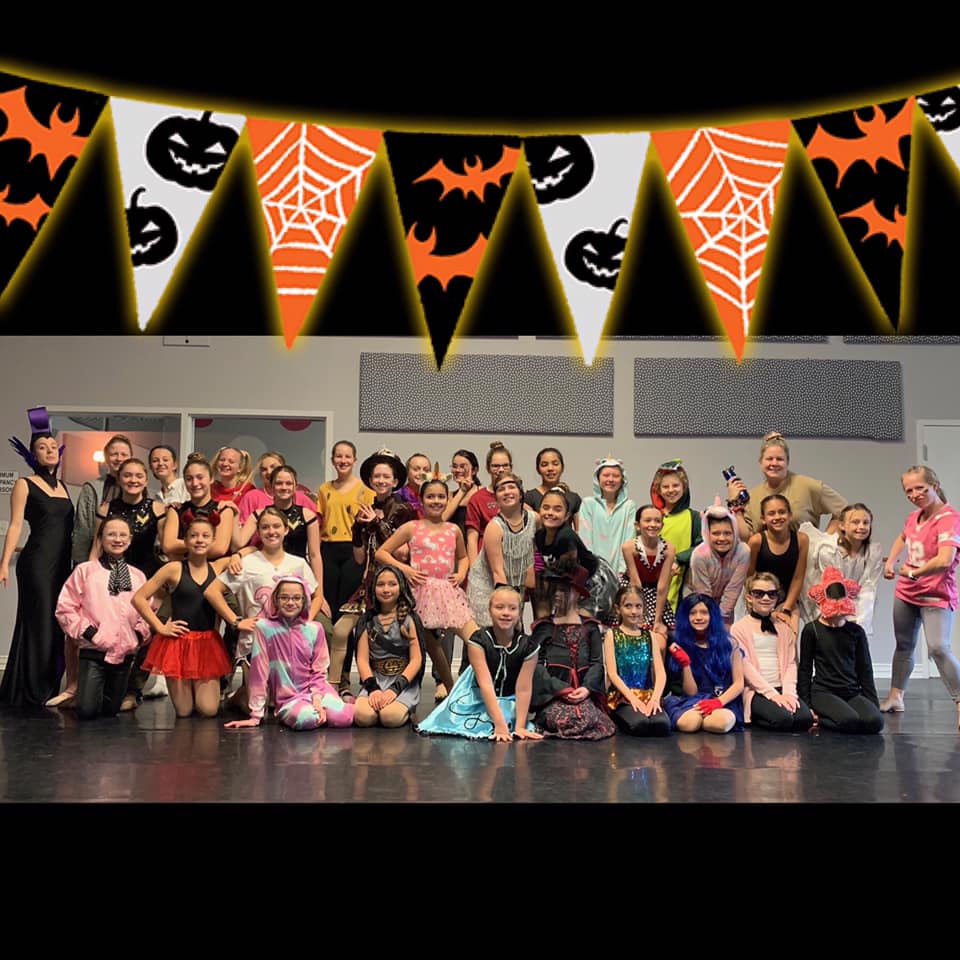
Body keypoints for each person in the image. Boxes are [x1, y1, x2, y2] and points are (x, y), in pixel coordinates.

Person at [205, 506, 321, 714]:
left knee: (281, 704)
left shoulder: (298, 563)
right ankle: (237, 697)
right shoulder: (246, 563)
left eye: (276, 526)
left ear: (286, 529)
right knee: (257, 707)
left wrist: (305, 625)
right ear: (258, 532)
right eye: (265, 527)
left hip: (288, 641)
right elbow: (212, 591)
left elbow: (317, 596)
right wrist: (236, 621)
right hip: (255, 640)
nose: (271, 531)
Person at [327, 448, 417, 698]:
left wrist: (377, 524)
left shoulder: (405, 510)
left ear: (395, 481)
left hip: (395, 584)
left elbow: (403, 554)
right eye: (377, 476)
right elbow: (359, 558)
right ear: (370, 480)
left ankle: (399, 689)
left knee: (395, 637)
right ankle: (337, 686)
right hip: (369, 583)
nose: (381, 480)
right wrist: (358, 529)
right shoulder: (365, 509)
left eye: (386, 476)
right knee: (341, 631)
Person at [0, 408, 74, 710]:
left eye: (53, 446)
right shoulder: (25, 484)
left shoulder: (63, 486)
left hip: (63, 565)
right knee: (39, 622)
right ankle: (31, 689)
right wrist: (4, 563)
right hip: (37, 564)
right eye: (42, 447)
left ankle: (48, 685)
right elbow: (16, 525)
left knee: (57, 623)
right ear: (32, 455)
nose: (49, 451)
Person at [881, 465, 960, 725]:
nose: (914, 494)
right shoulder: (914, 516)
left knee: (938, 648)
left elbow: (945, 560)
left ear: (934, 486)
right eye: (909, 490)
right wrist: (891, 561)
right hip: (907, 593)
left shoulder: (948, 518)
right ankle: (896, 697)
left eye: (920, 488)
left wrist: (915, 572)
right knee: (904, 645)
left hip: (935, 595)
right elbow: (903, 537)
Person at [133, 516, 234, 718]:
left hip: (207, 644)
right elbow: (139, 598)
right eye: (194, 536)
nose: (199, 540)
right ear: (185, 541)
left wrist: (238, 556)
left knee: (208, 710)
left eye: (205, 536)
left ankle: (228, 696)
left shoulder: (217, 567)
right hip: (177, 643)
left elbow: (248, 552)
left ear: (213, 541)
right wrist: (160, 627)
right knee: (184, 711)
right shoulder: (174, 568)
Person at [224, 575, 354, 731]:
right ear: (276, 600)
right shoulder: (264, 628)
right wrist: (256, 715)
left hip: (318, 690)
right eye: (284, 597)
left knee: (344, 717)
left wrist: (317, 700)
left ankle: (323, 710)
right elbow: (259, 672)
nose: (291, 602)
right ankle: (315, 713)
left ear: (304, 601)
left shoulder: (314, 629)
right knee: (307, 719)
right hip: (289, 698)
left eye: (296, 598)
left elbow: (319, 670)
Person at [54, 517, 151, 720]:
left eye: (122, 535)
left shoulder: (137, 576)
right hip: (94, 649)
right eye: (111, 534)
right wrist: (91, 634)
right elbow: (65, 608)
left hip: (124, 653)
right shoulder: (85, 571)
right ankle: (80, 695)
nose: (117, 539)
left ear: (130, 539)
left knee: (111, 710)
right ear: (100, 538)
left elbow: (148, 610)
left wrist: (138, 636)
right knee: (87, 711)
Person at [418, 585, 542, 740]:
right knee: (466, 722)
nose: (506, 613)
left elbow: (523, 688)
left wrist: (520, 726)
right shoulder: (478, 641)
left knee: (510, 720)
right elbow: (485, 684)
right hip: (479, 696)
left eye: (512, 608)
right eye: (499, 607)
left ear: (520, 613)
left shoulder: (528, 646)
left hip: (510, 699)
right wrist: (500, 725)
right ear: (490, 611)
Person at [374, 478, 463, 693]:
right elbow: (381, 553)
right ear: (421, 500)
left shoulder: (453, 530)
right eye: (430, 496)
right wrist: (405, 569)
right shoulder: (411, 527)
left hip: (446, 592)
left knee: (472, 637)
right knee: (429, 644)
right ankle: (448, 688)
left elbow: (464, 556)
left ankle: (466, 687)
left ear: (448, 499)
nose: (436, 501)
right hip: (420, 593)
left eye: (441, 496)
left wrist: (461, 573)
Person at [529, 563, 615, 739]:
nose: (557, 594)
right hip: (554, 695)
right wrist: (561, 689)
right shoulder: (545, 627)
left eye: (564, 590)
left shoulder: (590, 627)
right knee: (563, 719)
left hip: (583, 693)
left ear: (577, 594)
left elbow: (597, 663)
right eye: (556, 589)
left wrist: (586, 689)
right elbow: (536, 666)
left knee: (587, 718)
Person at [799, 566, 883, 734]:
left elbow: (865, 669)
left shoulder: (856, 632)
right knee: (848, 721)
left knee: (875, 722)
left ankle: (850, 717)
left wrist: (873, 704)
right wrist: (807, 706)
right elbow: (805, 669)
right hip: (824, 692)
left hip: (851, 692)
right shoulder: (812, 630)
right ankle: (822, 720)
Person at [725, 431, 847, 541]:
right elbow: (746, 538)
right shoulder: (752, 497)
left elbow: (844, 510)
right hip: (764, 559)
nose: (774, 463)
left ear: (787, 461)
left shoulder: (807, 486)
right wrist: (735, 503)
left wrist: (824, 541)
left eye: (779, 459)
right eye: (769, 459)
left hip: (805, 558)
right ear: (761, 462)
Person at [732, 572, 813, 732]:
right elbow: (745, 667)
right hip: (757, 691)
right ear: (749, 597)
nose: (766, 598)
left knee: (804, 719)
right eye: (759, 593)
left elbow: (790, 664)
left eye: (771, 594)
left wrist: (789, 693)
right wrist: (772, 694)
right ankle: (757, 716)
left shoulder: (784, 628)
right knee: (783, 719)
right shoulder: (739, 629)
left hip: (781, 686)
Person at [233, 464, 325, 599]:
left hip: (298, 576)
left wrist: (319, 594)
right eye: (279, 483)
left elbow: (315, 555)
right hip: (267, 574)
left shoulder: (308, 515)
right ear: (271, 486)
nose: (284, 487)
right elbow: (239, 543)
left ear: (296, 486)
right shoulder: (259, 515)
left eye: (289, 483)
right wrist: (234, 515)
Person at [530, 486, 619, 623]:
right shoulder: (539, 536)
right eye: (546, 508)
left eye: (557, 509)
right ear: (539, 510)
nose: (550, 513)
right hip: (570, 580)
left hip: (594, 580)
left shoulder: (566, 537)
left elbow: (572, 575)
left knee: (581, 622)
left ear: (567, 516)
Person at [353, 565, 424, 728]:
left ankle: (406, 707)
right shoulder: (367, 620)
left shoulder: (410, 619)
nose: (386, 589)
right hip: (376, 679)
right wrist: (373, 689)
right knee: (363, 717)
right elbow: (362, 660)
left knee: (390, 717)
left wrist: (395, 689)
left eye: (392, 584)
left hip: (402, 682)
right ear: (373, 588)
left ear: (401, 586)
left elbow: (416, 660)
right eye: (381, 584)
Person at [799, 502, 883, 640]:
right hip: (829, 606)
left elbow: (868, 587)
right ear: (842, 525)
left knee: (858, 640)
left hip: (857, 607)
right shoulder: (829, 550)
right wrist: (842, 620)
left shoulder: (873, 551)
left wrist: (859, 623)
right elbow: (832, 588)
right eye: (855, 522)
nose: (861, 527)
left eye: (866, 522)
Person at [663, 593, 743, 733]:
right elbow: (691, 693)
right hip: (690, 700)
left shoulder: (729, 643)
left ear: (712, 616)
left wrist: (718, 702)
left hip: (721, 699)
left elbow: (738, 684)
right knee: (689, 724)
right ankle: (702, 719)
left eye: (704, 612)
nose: (698, 617)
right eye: (692, 613)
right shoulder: (680, 644)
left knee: (722, 723)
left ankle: (706, 720)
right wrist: (685, 664)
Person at [315, 440, 375, 623]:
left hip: (354, 550)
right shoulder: (324, 489)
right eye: (338, 456)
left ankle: (346, 642)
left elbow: (369, 528)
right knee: (329, 602)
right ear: (332, 460)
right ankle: (329, 640)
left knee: (348, 603)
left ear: (354, 460)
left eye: (347, 456)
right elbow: (320, 522)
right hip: (329, 549)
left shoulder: (366, 491)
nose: (343, 460)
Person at [466, 472, 536, 626]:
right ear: (496, 498)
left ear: (520, 494)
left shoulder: (534, 519)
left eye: (511, 487)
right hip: (490, 587)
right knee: (498, 630)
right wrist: (508, 607)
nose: (507, 492)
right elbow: (498, 573)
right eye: (501, 489)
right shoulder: (494, 527)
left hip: (515, 585)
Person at [603, 585, 671, 737]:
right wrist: (633, 699)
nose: (634, 611)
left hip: (647, 695)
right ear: (618, 609)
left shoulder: (649, 636)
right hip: (623, 698)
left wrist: (655, 699)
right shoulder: (612, 635)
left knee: (662, 725)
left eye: (638, 606)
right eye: (628, 606)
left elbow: (660, 672)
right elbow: (613, 674)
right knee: (640, 724)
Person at [746, 494, 809, 634]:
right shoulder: (756, 541)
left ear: (790, 515)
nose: (777, 517)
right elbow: (749, 578)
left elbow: (798, 577)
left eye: (782, 512)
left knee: (789, 642)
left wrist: (786, 609)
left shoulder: (802, 540)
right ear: (763, 519)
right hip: (761, 601)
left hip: (789, 602)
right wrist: (763, 605)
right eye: (771, 513)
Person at [687, 499, 751, 628]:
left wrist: (723, 618)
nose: (722, 538)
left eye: (727, 533)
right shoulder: (700, 555)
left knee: (723, 635)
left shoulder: (743, 552)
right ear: (707, 533)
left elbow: (733, 588)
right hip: (699, 601)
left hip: (727, 606)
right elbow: (703, 593)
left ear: (735, 533)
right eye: (716, 533)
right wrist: (710, 617)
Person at [72, 433, 133, 566]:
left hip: (129, 561)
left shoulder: (137, 489)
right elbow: (82, 529)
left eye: (124, 454)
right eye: (114, 454)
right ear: (106, 457)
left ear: (130, 458)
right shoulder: (91, 488)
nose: (119, 458)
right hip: (95, 559)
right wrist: (81, 565)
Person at [650, 459, 702, 611]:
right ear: (658, 489)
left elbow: (701, 545)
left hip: (681, 579)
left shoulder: (693, 517)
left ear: (684, 487)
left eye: (675, 485)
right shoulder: (652, 516)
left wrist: (679, 559)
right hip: (653, 577)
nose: (671, 490)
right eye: (665, 486)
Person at [622, 504, 676, 637]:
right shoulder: (629, 547)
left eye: (657, 521)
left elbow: (663, 585)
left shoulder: (669, 549)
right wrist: (640, 615)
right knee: (636, 628)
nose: (652, 524)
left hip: (656, 594)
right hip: (633, 591)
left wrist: (657, 619)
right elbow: (635, 583)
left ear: (662, 525)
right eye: (647, 520)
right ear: (637, 525)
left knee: (662, 632)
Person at [578, 457, 636, 576]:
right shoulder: (588, 504)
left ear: (622, 480)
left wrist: (622, 570)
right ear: (598, 478)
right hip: (593, 571)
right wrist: (592, 567)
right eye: (606, 475)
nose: (610, 479)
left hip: (621, 573)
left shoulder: (629, 506)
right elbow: (585, 539)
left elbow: (629, 539)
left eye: (616, 476)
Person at [465, 441, 514, 564]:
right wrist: (474, 569)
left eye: (505, 465)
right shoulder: (477, 499)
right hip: (486, 560)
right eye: (495, 466)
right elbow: (472, 539)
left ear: (511, 467)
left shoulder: (517, 496)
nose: (501, 470)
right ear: (488, 468)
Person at [237, 451, 315, 524]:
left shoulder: (300, 497)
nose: (269, 472)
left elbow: (317, 523)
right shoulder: (251, 497)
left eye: (273, 467)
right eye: (264, 469)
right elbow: (242, 526)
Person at [524, 447, 582, 528]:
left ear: (562, 467)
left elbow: (580, 531)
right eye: (544, 465)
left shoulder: (574, 498)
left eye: (555, 464)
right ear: (538, 469)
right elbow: (529, 530)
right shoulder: (529, 498)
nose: (550, 468)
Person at [396, 452, 431, 518]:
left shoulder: (433, 498)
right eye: (416, 469)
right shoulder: (397, 499)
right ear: (407, 472)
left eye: (426, 470)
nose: (421, 473)